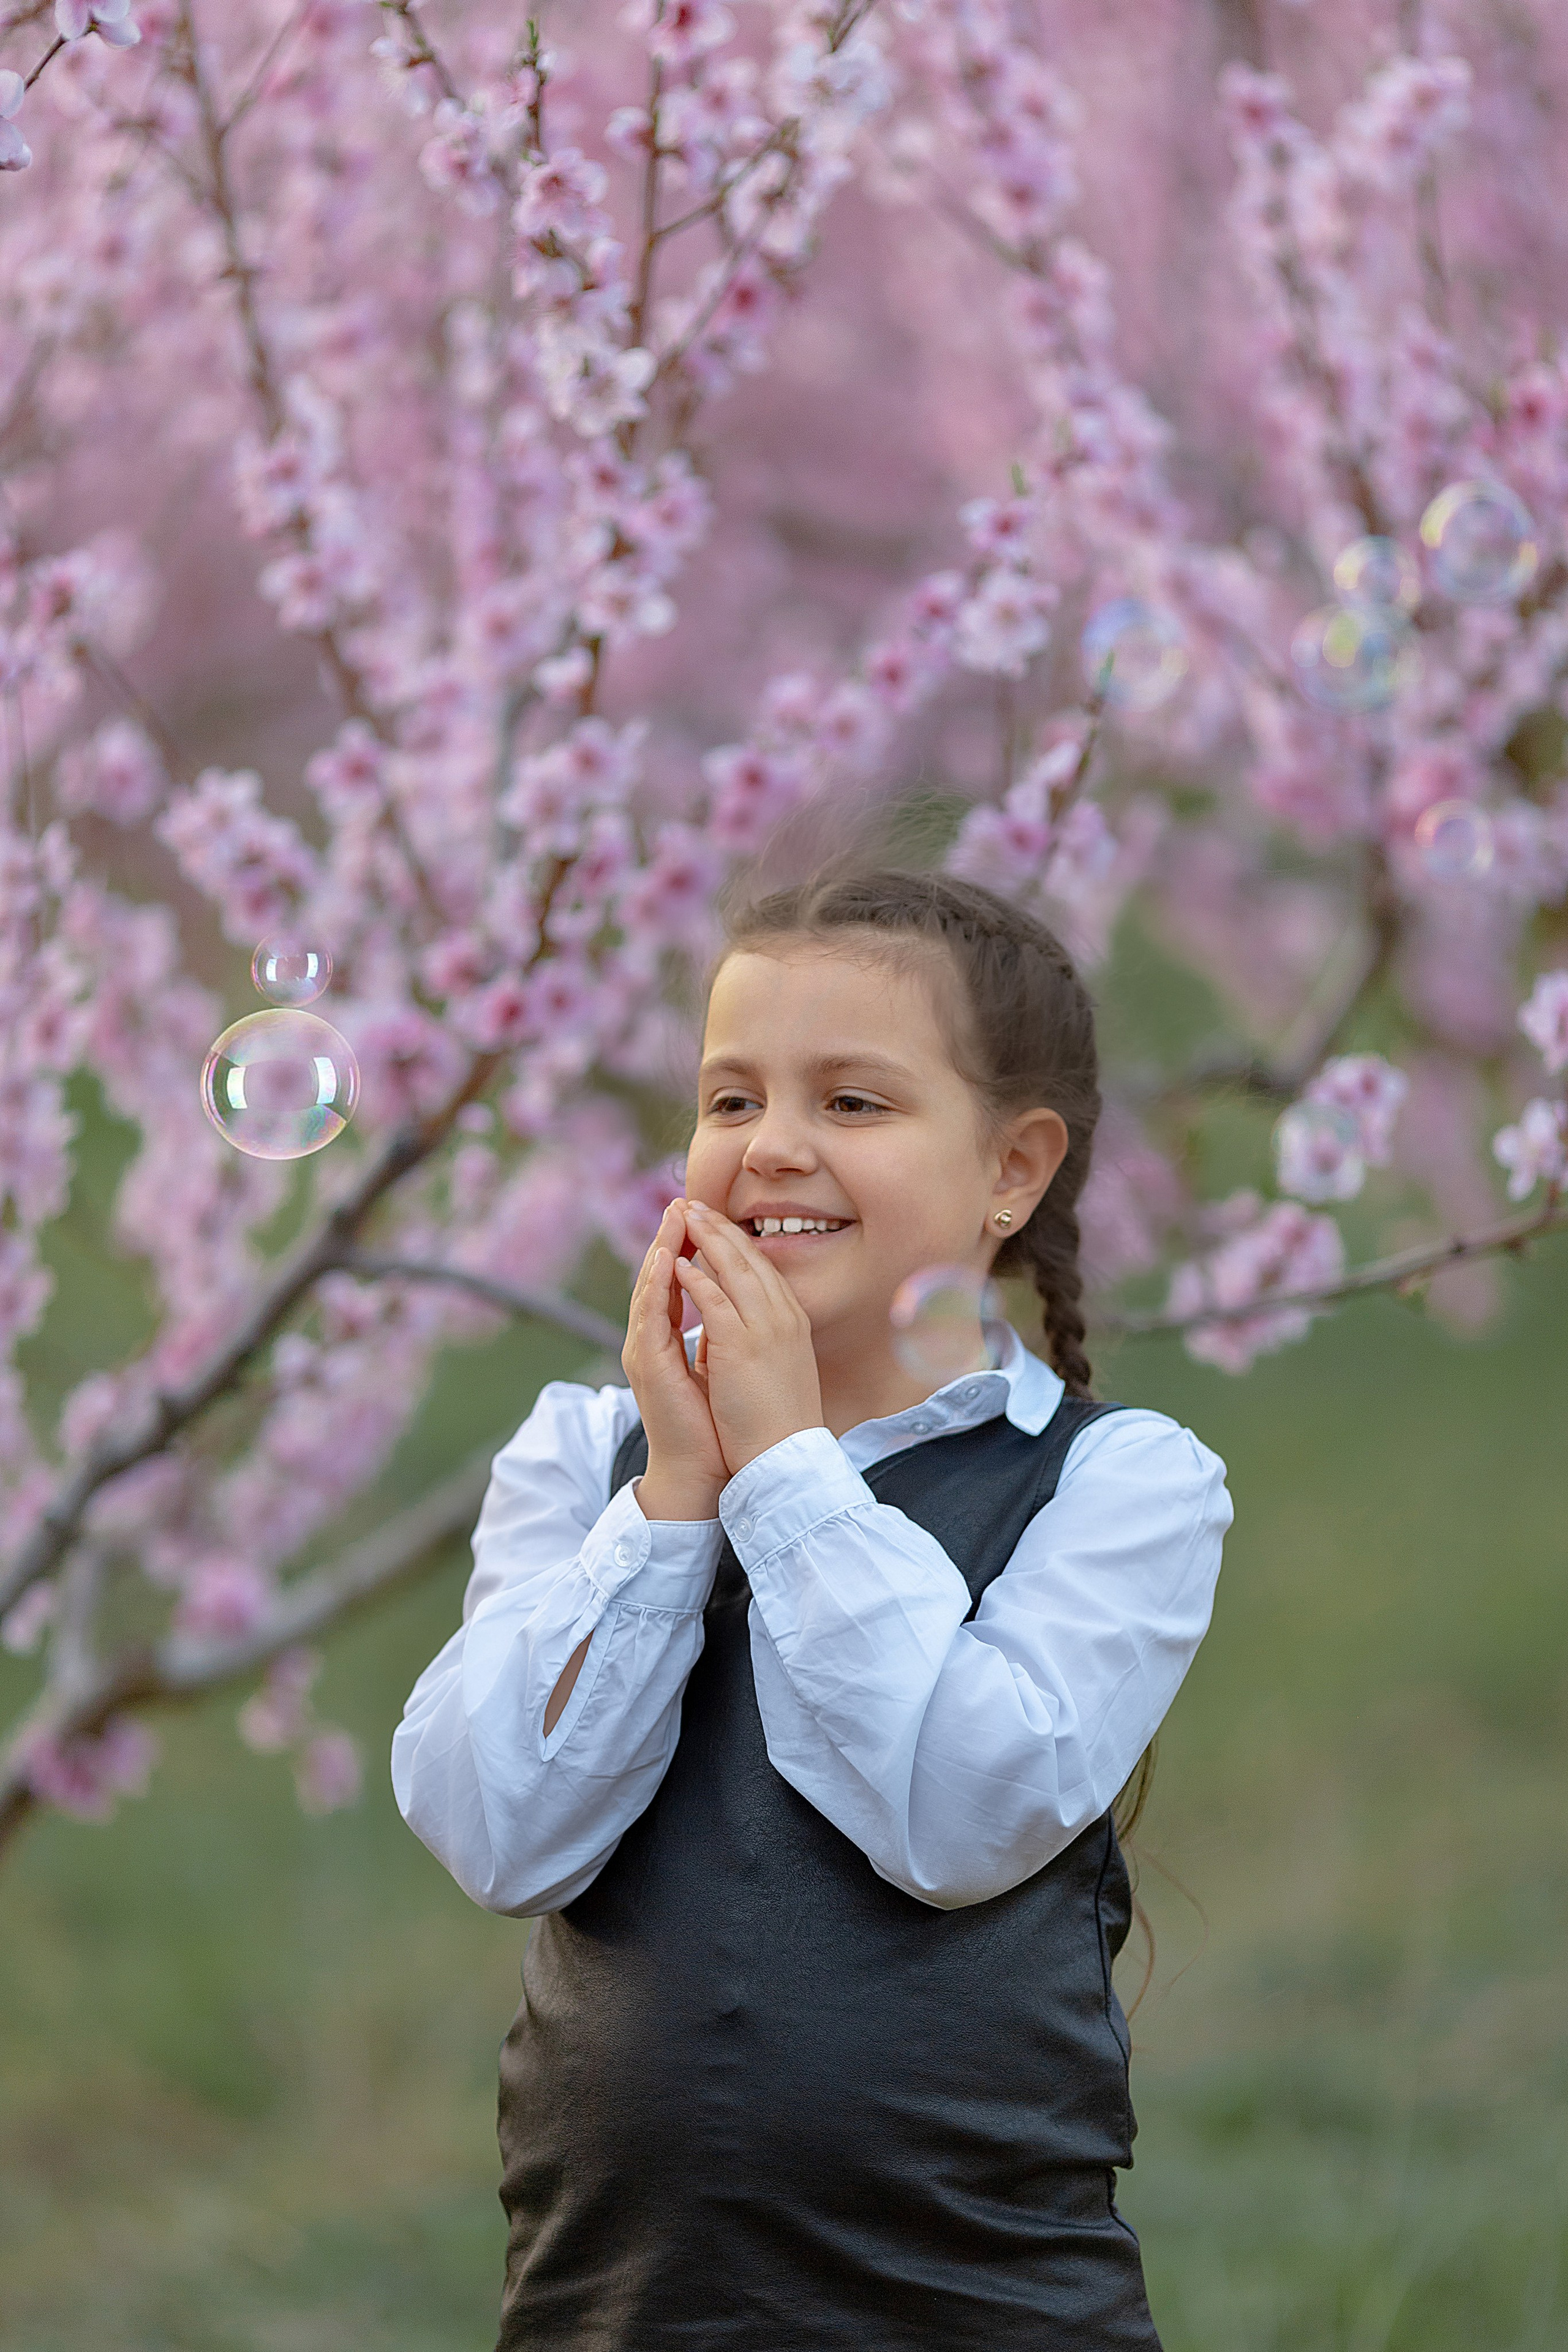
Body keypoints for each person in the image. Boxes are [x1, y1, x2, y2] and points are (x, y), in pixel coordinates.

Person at [391, 868, 1234, 2350]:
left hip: (975, 2302)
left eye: (852, 1103)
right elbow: (493, 1827)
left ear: (1011, 1171)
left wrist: (782, 1471)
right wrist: (673, 1495)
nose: (770, 1146)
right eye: (728, 1102)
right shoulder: (585, 1459)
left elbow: (959, 1814)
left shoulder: (1117, 1486)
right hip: (615, 2304)